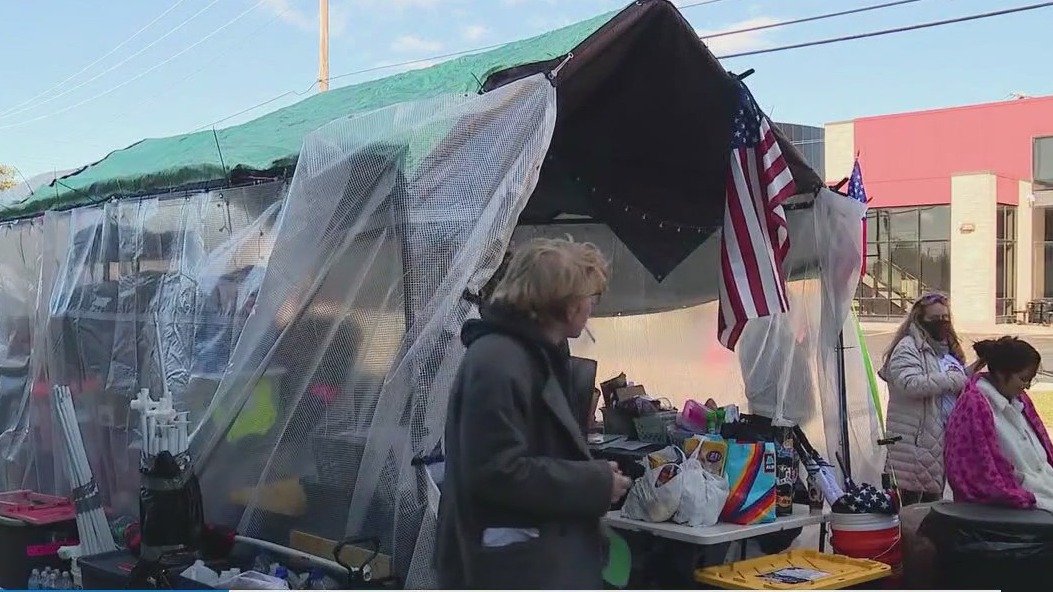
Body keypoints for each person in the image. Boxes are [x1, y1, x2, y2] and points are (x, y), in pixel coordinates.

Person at [435, 238, 632, 590]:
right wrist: (595, 482)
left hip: (534, 564)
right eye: (590, 297)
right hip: (510, 568)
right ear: (567, 305)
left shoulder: (532, 355)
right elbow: (498, 472)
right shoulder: (499, 363)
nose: (592, 307)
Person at [878, 293, 978, 505]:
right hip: (915, 444)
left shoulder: (947, 350)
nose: (942, 323)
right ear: (920, 319)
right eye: (935, 318)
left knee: (933, 508)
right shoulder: (908, 347)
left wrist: (979, 365)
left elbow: (956, 382)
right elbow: (910, 384)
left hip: (939, 443)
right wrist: (952, 379)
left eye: (945, 317)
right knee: (912, 510)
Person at [945, 337, 1053, 511]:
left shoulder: (1018, 401)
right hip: (1022, 500)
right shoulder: (975, 407)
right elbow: (979, 474)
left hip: (1042, 487)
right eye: (1024, 379)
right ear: (1003, 374)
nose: (1028, 386)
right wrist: (1024, 489)